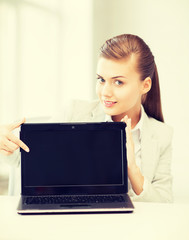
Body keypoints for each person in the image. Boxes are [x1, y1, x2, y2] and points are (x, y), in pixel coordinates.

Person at [0, 34, 173, 202]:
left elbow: (164, 203)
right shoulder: (74, 112)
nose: (105, 92)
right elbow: (24, 159)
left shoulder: (162, 135)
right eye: (101, 79)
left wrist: (132, 169)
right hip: (75, 220)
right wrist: (3, 141)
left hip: (133, 226)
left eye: (118, 82)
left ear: (145, 85)